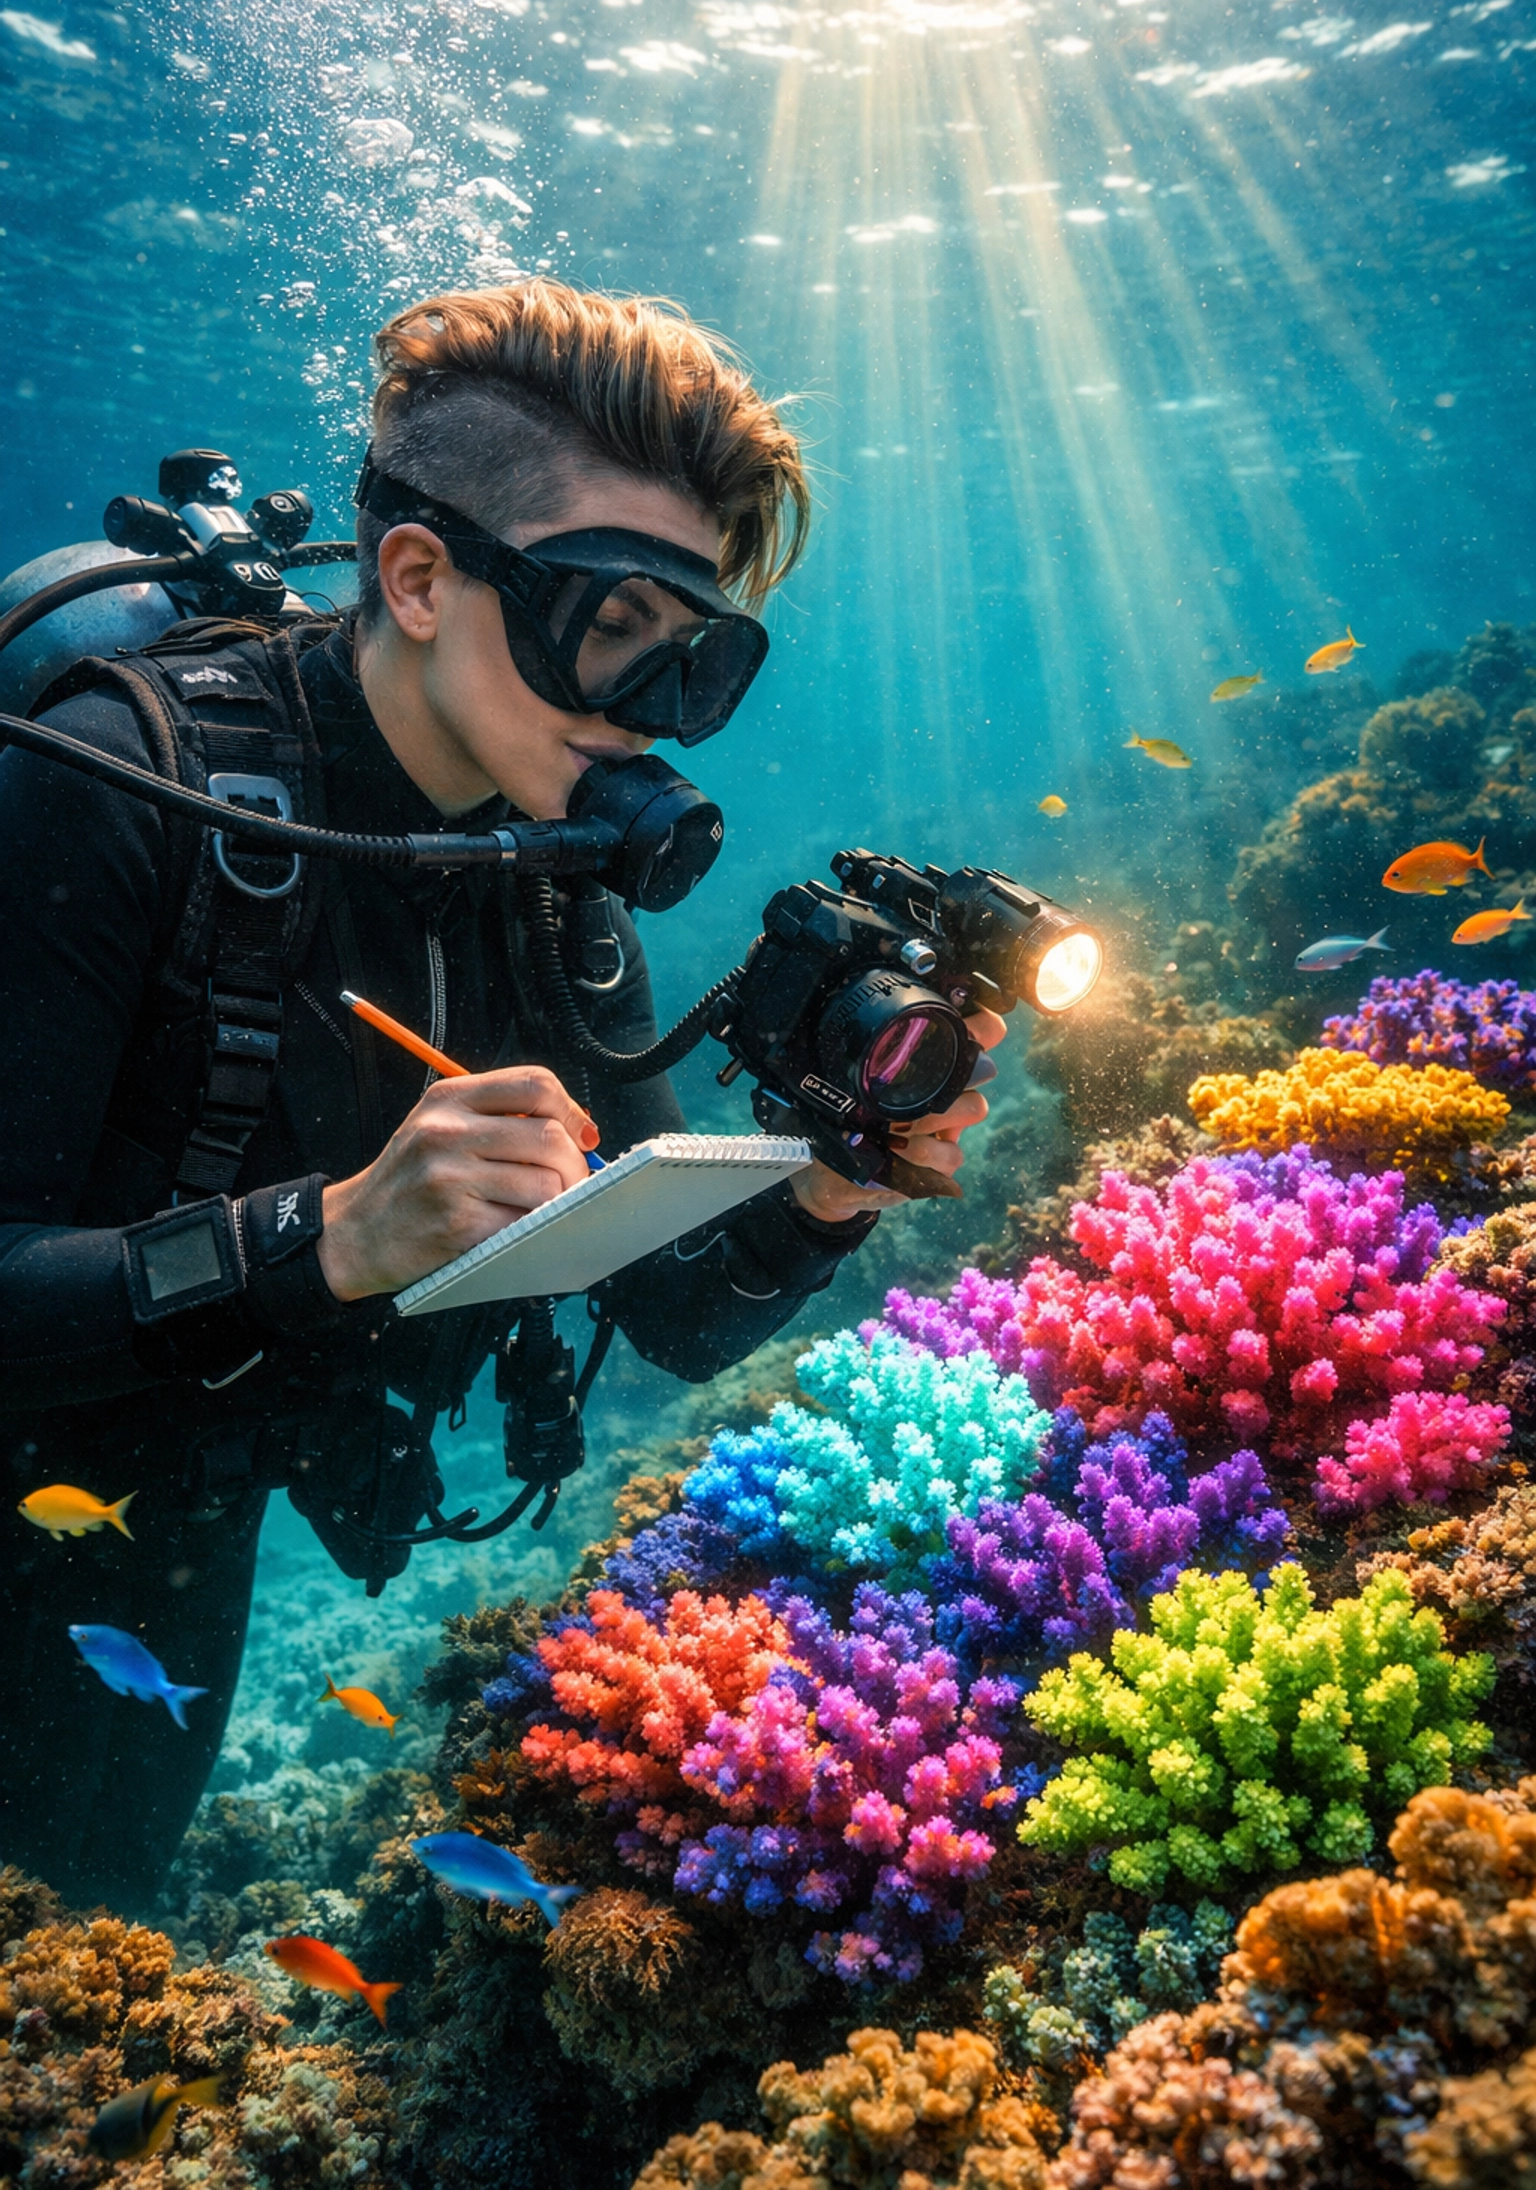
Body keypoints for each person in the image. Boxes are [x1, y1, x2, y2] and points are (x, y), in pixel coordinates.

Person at [0, 280, 1002, 1909]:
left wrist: (829, 1194)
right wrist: (313, 1240)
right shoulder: (112, 792)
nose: (648, 716)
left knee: (81, 1917)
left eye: (691, 663)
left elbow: (658, 1311)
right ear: (415, 578)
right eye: (609, 629)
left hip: (170, 1532)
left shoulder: (552, 883)